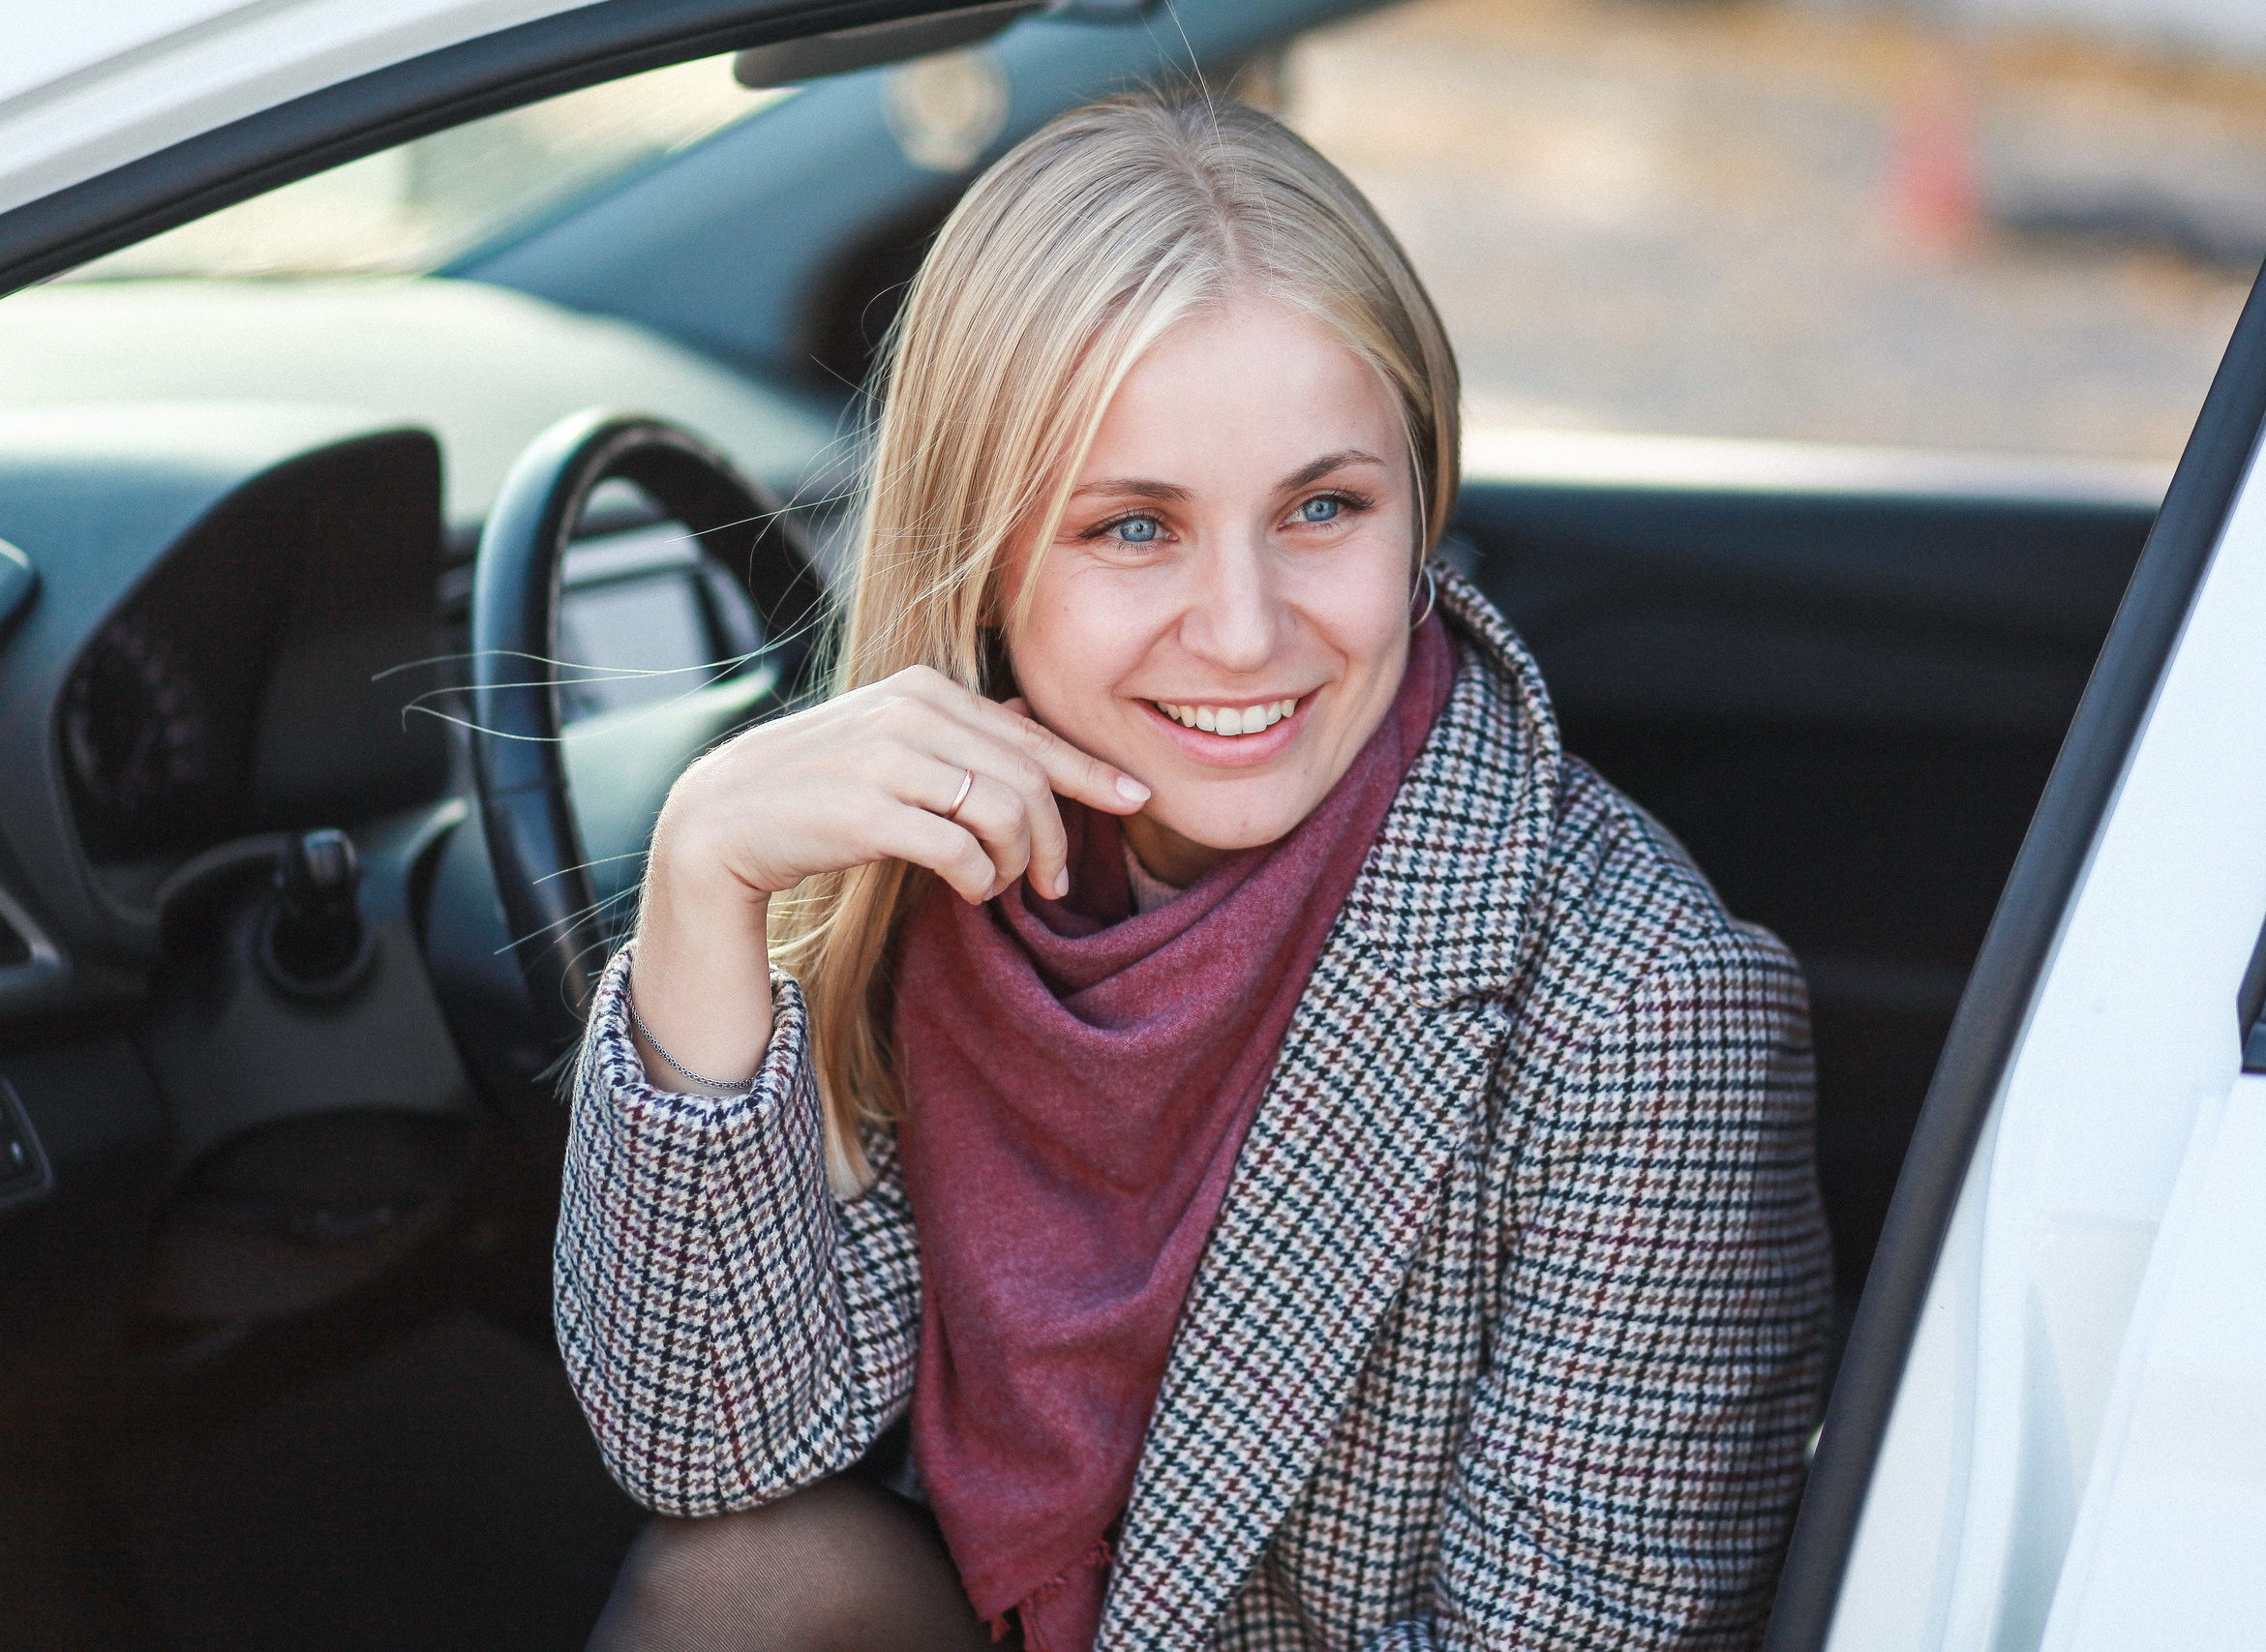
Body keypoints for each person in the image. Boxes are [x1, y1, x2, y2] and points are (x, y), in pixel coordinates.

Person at [559, 91, 1829, 1652]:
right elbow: (712, 1450)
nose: (1243, 630)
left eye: (1322, 508)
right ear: (984, 550)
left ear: (1419, 500)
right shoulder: (944, 859)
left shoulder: (1646, 1012)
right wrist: (701, 884)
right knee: (744, 1587)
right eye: (1135, 528)